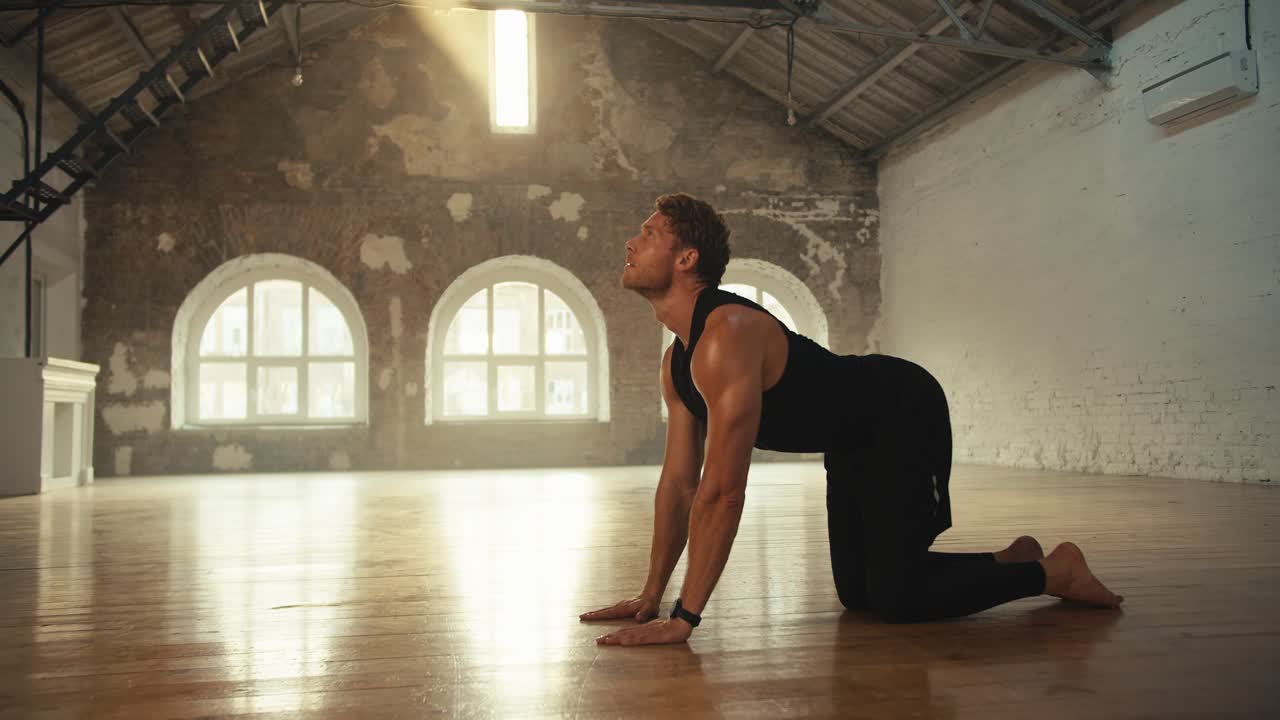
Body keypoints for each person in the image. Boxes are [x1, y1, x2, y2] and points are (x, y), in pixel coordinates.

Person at [580, 193, 1124, 647]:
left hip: (900, 409)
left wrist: (685, 618)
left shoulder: (728, 333)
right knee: (860, 595)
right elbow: (679, 485)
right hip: (848, 439)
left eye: (648, 234)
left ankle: (1053, 572)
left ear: (686, 258)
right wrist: (650, 595)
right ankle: (1008, 561)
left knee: (899, 599)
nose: (631, 243)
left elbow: (722, 492)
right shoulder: (676, 362)